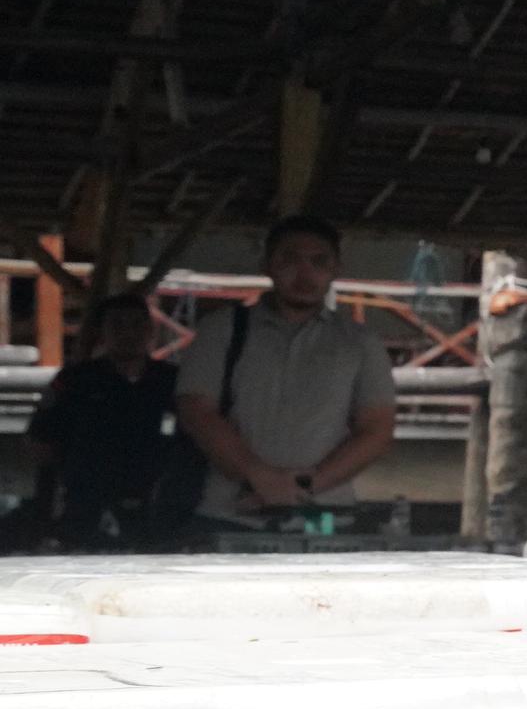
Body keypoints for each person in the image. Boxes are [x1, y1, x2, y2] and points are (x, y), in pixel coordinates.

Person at [173, 215, 397, 529]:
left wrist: (303, 488)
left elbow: (377, 429)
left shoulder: (360, 342)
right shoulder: (222, 329)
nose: (305, 274)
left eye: (319, 262)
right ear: (267, 265)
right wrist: (258, 476)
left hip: (323, 514)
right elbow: (196, 411)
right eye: (289, 259)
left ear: (336, 269)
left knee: (322, 577)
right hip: (228, 511)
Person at [23, 290, 191, 548]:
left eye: (137, 324)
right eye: (118, 325)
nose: (129, 333)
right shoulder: (75, 382)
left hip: (159, 506)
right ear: (101, 332)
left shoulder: (173, 382)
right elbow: (41, 444)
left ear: (150, 330)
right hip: (87, 506)